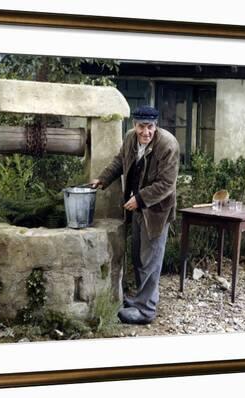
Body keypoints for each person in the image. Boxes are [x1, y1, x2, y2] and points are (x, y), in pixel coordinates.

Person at [90, 105, 180, 324]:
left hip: (156, 211)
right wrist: (103, 179)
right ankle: (142, 299)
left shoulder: (168, 145)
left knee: (151, 259)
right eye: (141, 126)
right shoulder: (130, 138)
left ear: (156, 126)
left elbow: (167, 184)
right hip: (137, 207)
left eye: (150, 127)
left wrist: (139, 199)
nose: (145, 132)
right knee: (139, 256)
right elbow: (120, 161)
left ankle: (146, 311)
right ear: (134, 125)